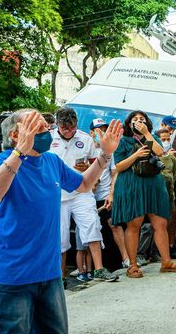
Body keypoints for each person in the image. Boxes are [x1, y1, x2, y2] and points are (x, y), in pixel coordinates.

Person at [0, 109, 121, 332]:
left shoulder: (51, 161)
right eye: (38, 127)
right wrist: (19, 153)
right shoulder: (2, 162)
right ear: (15, 135)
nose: (47, 131)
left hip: (49, 272)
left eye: (47, 126)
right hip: (12, 273)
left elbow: (84, 184)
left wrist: (105, 154)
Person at [112, 111, 176, 278]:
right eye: (135, 119)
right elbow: (119, 166)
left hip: (153, 184)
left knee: (161, 223)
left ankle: (166, 262)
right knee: (134, 225)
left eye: (142, 119)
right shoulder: (123, 140)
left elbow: (160, 153)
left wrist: (147, 134)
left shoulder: (151, 137)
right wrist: (136, 155)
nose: (139, 121)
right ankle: (132, 265)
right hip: (132, 184)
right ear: (129, 123)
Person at [51, 108, 118, 283]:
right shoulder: (49, 138)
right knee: (60, 235)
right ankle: (60, 276)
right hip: (57, 194)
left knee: (92, 225)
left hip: (81, 191)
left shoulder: (85, 139)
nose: (69, 131)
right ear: (57, 125)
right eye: (65, 128)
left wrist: (87, 168)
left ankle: (99, 269)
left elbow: (96, 165)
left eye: (72, 127)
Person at [90, 119, 129, 269]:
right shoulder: (86, 148)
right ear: (91, 133)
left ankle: (126, 259)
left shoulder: (109, 151)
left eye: (104, 129)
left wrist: (111, 194)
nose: (102, 132)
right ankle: (87, 267)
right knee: (89, 230)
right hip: (87, 197)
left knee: (114, 224)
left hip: (105, 195)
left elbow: (115, 173)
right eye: (98, 129)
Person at [155, 126, 176, 259]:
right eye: (163, 140)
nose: (166, 142)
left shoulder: (173, 155)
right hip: (157, 192)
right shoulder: (152, 154)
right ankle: (157, 250)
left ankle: (171, 245)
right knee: (160, 222)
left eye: (168, 139)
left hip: (171, 192)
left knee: (172, 219)